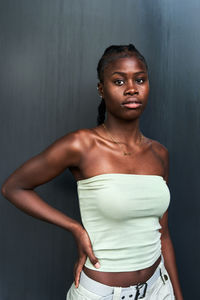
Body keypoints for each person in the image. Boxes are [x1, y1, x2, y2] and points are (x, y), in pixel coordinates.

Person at [1, 44, 183, 300]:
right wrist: (75, 227)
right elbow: (13, 188)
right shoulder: (82, 145)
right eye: (119, 81)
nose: (132, 88)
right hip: (101, 293)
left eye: (140, 80)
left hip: (158, 288)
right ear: (101, 89)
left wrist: (176, 294)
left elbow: (163, 235)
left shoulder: (159, 153)